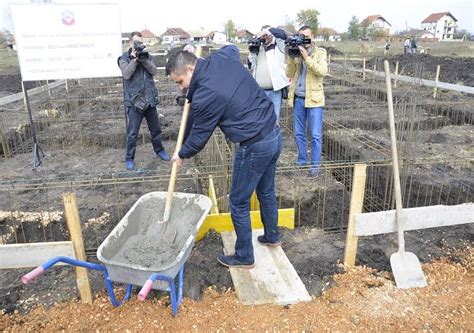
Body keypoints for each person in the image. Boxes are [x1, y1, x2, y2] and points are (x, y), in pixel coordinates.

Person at [166, 46, 282, 269]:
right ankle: (272, 236)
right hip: (273, 134)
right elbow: (232, 48)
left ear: (191, 68)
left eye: (180, 82)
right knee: (266, 190)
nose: (181, 89)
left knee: (238, 201)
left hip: (254, 145)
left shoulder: (206, 95)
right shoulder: (221, 58)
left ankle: (244, 256)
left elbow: (199, 137)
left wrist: (181, 154)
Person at [118, 31, 170, 170]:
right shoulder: (123, 58)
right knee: (133, 133)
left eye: (140, 43)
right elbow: (127, 74)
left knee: (156, 129)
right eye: (136, 43)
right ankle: (129, 158)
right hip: (134, 102)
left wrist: (144, 60)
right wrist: (134, 60)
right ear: (130, 43)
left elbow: (154, 71)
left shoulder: (148, 57)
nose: (138, 45)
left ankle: (159, 151)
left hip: (149, 100)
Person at [286, 26, 328, 178]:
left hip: (314, 100)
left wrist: (306, 59)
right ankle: (302, 161)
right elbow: (289, 74)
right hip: (298, 98)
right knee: (298, 133)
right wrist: (291, 57)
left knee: (315, 135)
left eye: (306, 36)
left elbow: (322, 71)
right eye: (301, 36)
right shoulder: (296, 52)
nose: (304, 39)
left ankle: (314, 167)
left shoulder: (320, 52)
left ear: (312, 36)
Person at [247, 26, 289, 123]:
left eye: (266, 35)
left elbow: (281, 34)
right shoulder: (259, 47)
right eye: (263, 36)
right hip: (260, 91)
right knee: (260, 119)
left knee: (274, 120)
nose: (264, 38)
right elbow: (251, 64)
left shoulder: (279, 46)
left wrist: (267, 30)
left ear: (271, 35)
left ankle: (274, 138)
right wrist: (253, 49)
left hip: (275, 91)